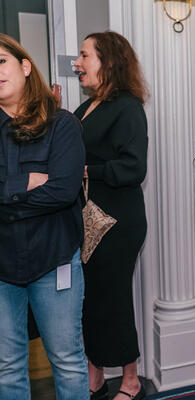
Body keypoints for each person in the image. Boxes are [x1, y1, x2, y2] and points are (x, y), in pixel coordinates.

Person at [0, 33, 88, 399]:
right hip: (1, 266)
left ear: (24, 65)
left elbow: (64, 191)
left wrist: (5, 197)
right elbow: (47, 193)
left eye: (0, 61)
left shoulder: (61, 123)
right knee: (6, 366)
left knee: (67, 360)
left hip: (54, 260)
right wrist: (26, 183)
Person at [73, 31, 148, 400]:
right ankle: (95, 375)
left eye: (84, 56)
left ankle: (131, 380)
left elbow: (134, 168)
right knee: (89, 300)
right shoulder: (87, 106)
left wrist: (89, 170)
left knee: (113, 300)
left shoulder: (127, 106)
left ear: (109, 61)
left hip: (116, 223)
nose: (77, 63)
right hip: (87, 221)